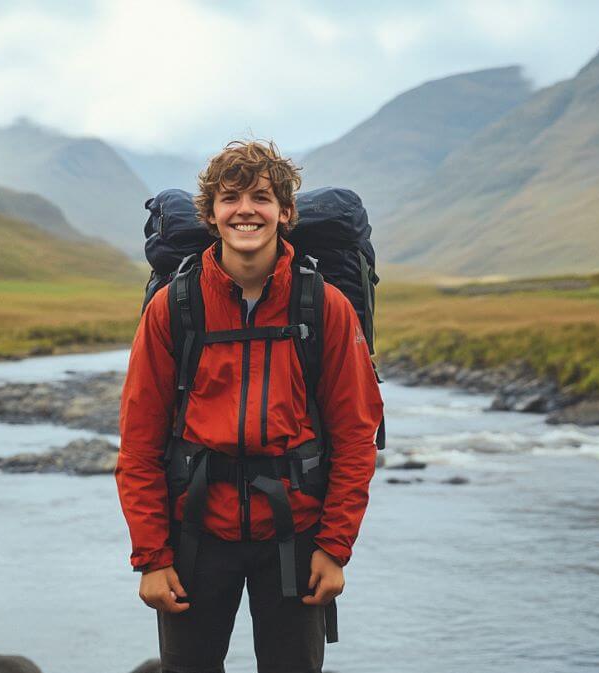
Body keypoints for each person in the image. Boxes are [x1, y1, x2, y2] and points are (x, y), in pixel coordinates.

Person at [115, 140, 384, 673]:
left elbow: (356, 436)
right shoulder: (176, 306)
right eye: (230, 197)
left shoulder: (323, 304)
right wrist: (151, 557)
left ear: (285, 213)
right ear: (211, 215)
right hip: (194, 535)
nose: (245, 210)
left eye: (261, 197)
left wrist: (334, 547)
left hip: (296, 539)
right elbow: (139, 443)